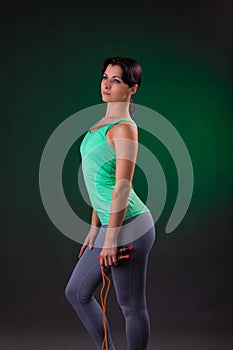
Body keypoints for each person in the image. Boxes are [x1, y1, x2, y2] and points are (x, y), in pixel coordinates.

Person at [65, 56, 156, 350]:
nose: (106, 83)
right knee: (76, 292)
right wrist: (95, 227)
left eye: (116, 80)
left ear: (133, 88)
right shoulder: (101, 124)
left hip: (130, 224)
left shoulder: (125, 128)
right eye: (105, 76)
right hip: (111, 222)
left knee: (129, 305)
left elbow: (122, 186)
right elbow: (100, 182)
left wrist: (111, 237)